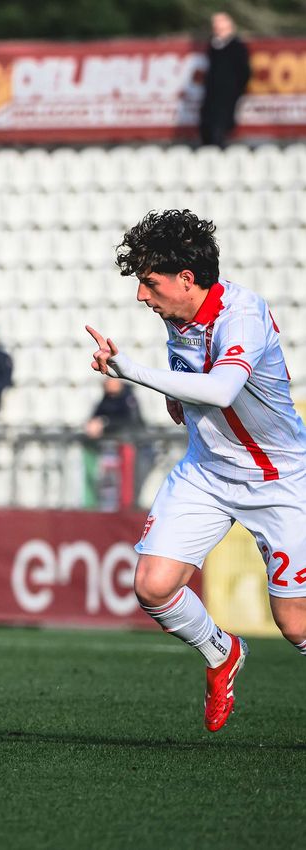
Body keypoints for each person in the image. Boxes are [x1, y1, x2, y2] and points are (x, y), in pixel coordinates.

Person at [86, 209, 306, 733]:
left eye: (150, 283)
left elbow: (223, 389)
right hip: (207, 472)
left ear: (187, 278)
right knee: (153, 586)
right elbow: (194, 382)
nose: (142, 296)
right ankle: (222, 652)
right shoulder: (176, 314)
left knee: (295, 621)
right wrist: (179, 402)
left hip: (276, 478)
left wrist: (132, 372)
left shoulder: (242, 314)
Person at [82, 377, 146, 510]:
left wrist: (104, 424)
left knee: (127, 481)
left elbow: (131, 422)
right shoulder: (106, 398)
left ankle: (126, 506)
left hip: (131, 446)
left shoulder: (128, 399)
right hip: (109, 449)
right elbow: (96, 416)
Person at [199, 11, 251, 148]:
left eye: (219, 22)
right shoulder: (213, 45)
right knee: (206, 125)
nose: (215, 26)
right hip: (212, 95)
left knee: (220, 127)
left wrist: (236, 90)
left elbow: (244, 72)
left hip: (227, 94)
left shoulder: (237, 46)